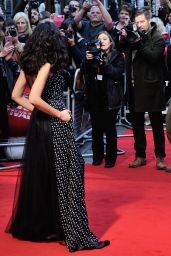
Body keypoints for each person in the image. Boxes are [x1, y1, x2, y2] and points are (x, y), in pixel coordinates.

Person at [5, 21, 110, 252]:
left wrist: (39, 112)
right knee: (71, 174)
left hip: (40, 125)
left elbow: (16, 95)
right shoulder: (47, 63)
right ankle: (76, 234)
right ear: (51, 41)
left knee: (46, 175)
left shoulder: (29, 63)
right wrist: (58, 114)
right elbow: (33, 97)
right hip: (55, 124)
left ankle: (50, 225)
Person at [119, 7, 167, 170]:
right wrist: (124, 37)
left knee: (156, 124)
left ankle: (160, 157)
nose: (138, 25)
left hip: (152, 86)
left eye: (141, 22)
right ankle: (140, 155)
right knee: (137, 123)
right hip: (133, 85)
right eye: (137, 22)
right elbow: (119, 49)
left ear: (149, 20)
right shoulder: (134, 35)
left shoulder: (158, 37)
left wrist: (139, 42)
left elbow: (154, 58)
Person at [81, 31, 125, 168]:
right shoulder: (91, 54)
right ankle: (97, 156)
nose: (102, 42)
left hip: (110, 97)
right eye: (99, 39)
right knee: (96, 129)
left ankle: (111, 158)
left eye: (105, 39)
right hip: (94, 96)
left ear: (110, 42)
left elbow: (116, 74)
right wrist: (87, 61)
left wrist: (103, 62)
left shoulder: (117, 56)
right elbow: (83, 71)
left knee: (110, 129)